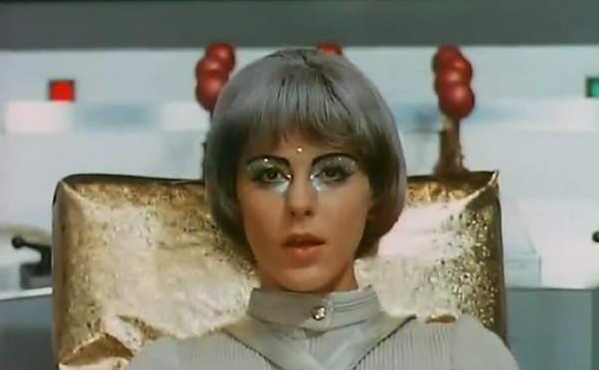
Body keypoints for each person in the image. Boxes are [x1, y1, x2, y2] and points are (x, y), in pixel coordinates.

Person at [126, 48, 520, 369]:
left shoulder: (463, 358)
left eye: (332, 172)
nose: (300, 203)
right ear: (234, 195)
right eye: (269, 175)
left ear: (375, 189)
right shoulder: (170, 366)